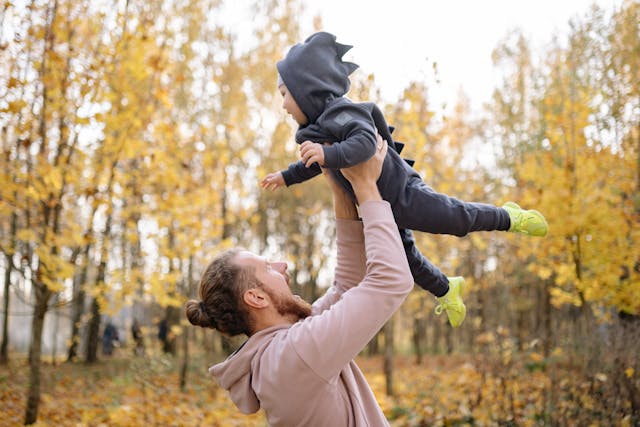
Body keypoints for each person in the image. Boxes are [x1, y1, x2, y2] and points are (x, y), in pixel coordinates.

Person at [261, 31, 548, 327]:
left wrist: (326, 154)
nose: (283, 105)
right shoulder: (318, 130)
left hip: (403, 193)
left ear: (307, 88)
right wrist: (286, 176)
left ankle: (509, 217)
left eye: (285, 94)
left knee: (454, 219)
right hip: (381, 208)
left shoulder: (343, 112)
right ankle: (448, 289)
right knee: (409, 263)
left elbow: (364, 145)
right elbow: (314, 162)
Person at [186, 138, 414, 426]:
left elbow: (347, 285)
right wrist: (366, 186)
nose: (283, 266)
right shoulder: (293, 355)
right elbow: (391, 281)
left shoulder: (284, 349)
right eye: (268, 267)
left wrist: (338, 183)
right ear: (256, 298)